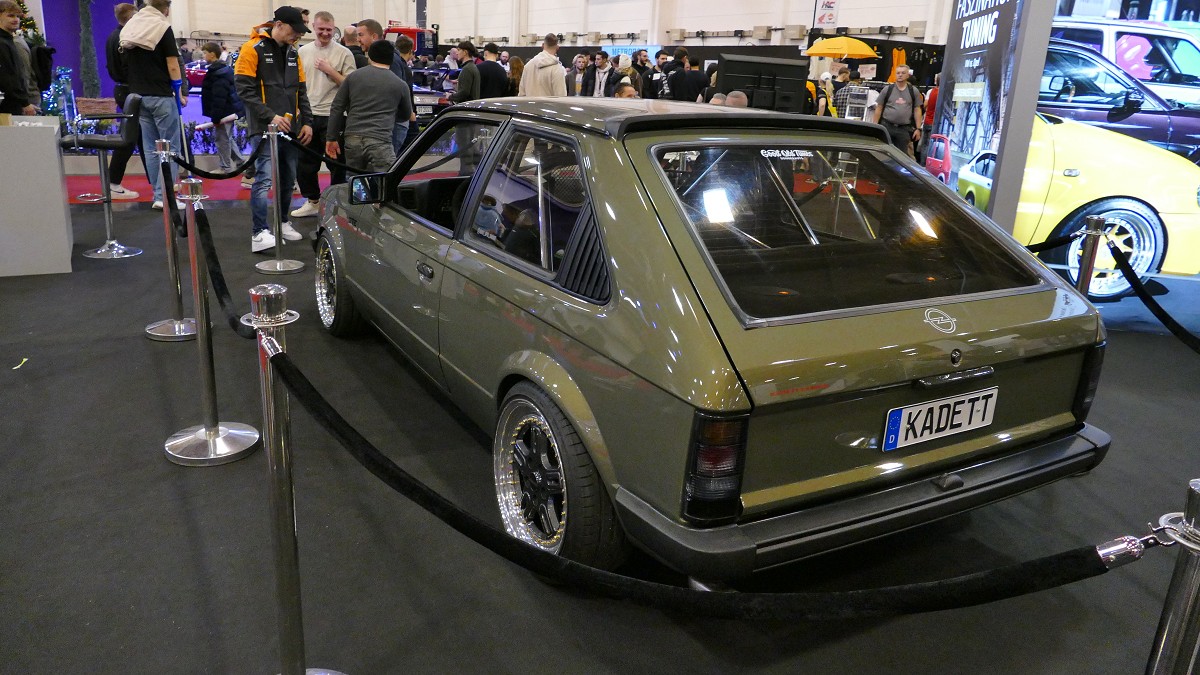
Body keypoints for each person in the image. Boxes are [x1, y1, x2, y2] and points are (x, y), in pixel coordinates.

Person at [235, 6, 313, 252]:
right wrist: (271, 116)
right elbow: (244, 90)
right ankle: (259, 232)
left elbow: (301, 92)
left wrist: (307, 122)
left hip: (291, 128)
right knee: (264, 179)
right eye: (294, 30)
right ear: (278, 25)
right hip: (263, 128)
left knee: (288, 179)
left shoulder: (293, 53)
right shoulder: (251, 48)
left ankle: (282, 221)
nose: (298, 35)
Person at [120, 0, 186, 210]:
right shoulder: (162, 27)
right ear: (166, 9)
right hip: (161, 95)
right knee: (171, 148)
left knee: (150, 148)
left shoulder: (131, 26)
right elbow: (172, 64)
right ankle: (165, 197)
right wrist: (179, 90)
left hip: (138, 96)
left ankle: (158, 195)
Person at [291, 10, 355, 219]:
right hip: (308, 116)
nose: (325, 33)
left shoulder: (344, 53)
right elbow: (296, 84)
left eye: (329, 29)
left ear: (334, 29)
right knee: (305, 164)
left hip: (334, 116)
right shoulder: (302, 52)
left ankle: (337, 204)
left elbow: (351, 86)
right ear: (314, 28)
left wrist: (330, 70)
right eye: (321, 29)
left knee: (336, 164)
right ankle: (313, 201)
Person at [326, 39, 410, 174]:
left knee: (354, 179)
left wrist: (331, 137)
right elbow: (405, 115)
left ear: (369, 56)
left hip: (353, 138)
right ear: (391, 58)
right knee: (385, 179)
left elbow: (337, 107)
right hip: (381, 139)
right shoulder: (400, 84)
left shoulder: (353, 77)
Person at [103, 2, 140, 199]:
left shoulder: (113, 36)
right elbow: (127, 67)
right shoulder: (124, 38)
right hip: (129, 90)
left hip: (124, 90)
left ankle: (158, 182)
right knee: (129, 138)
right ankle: (113, 182)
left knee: (139, 137)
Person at [199, 42, 246, 175]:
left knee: (222, 140)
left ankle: (225, 167)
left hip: (224, 112)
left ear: (212, 54)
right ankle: (240, 162)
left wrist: (216, 116)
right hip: (227, 111)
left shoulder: (218, 73)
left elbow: (219, 97)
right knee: (227, 138)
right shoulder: (222, 70)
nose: (203, 56)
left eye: (204, 53)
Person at [871, 64, 923, 155]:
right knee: (883, 154)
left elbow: (917, 110)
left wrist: (918, 129)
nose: (900, 75)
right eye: (898, 73)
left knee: (902, 155)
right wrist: (875, 126)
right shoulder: (887, 89)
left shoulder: (913, 91)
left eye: (903, 73)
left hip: (904, 129)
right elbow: (879, 108)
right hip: (886, 126)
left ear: (908, 75)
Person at [0, 0, 32, 116]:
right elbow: (8, 77)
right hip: (6, 106)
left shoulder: (8, 41)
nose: (16, 20)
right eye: (10, 15)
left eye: (18, 16)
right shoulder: (2, 43)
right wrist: (24, 103)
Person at [918, 73, 940, 162]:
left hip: (926, 121)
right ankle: (927, 164)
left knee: (924, 144)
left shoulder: (930, 91)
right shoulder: (943, 92)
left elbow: (925, 105)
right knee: (931, 146)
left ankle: (922, 163)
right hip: (934, 123)